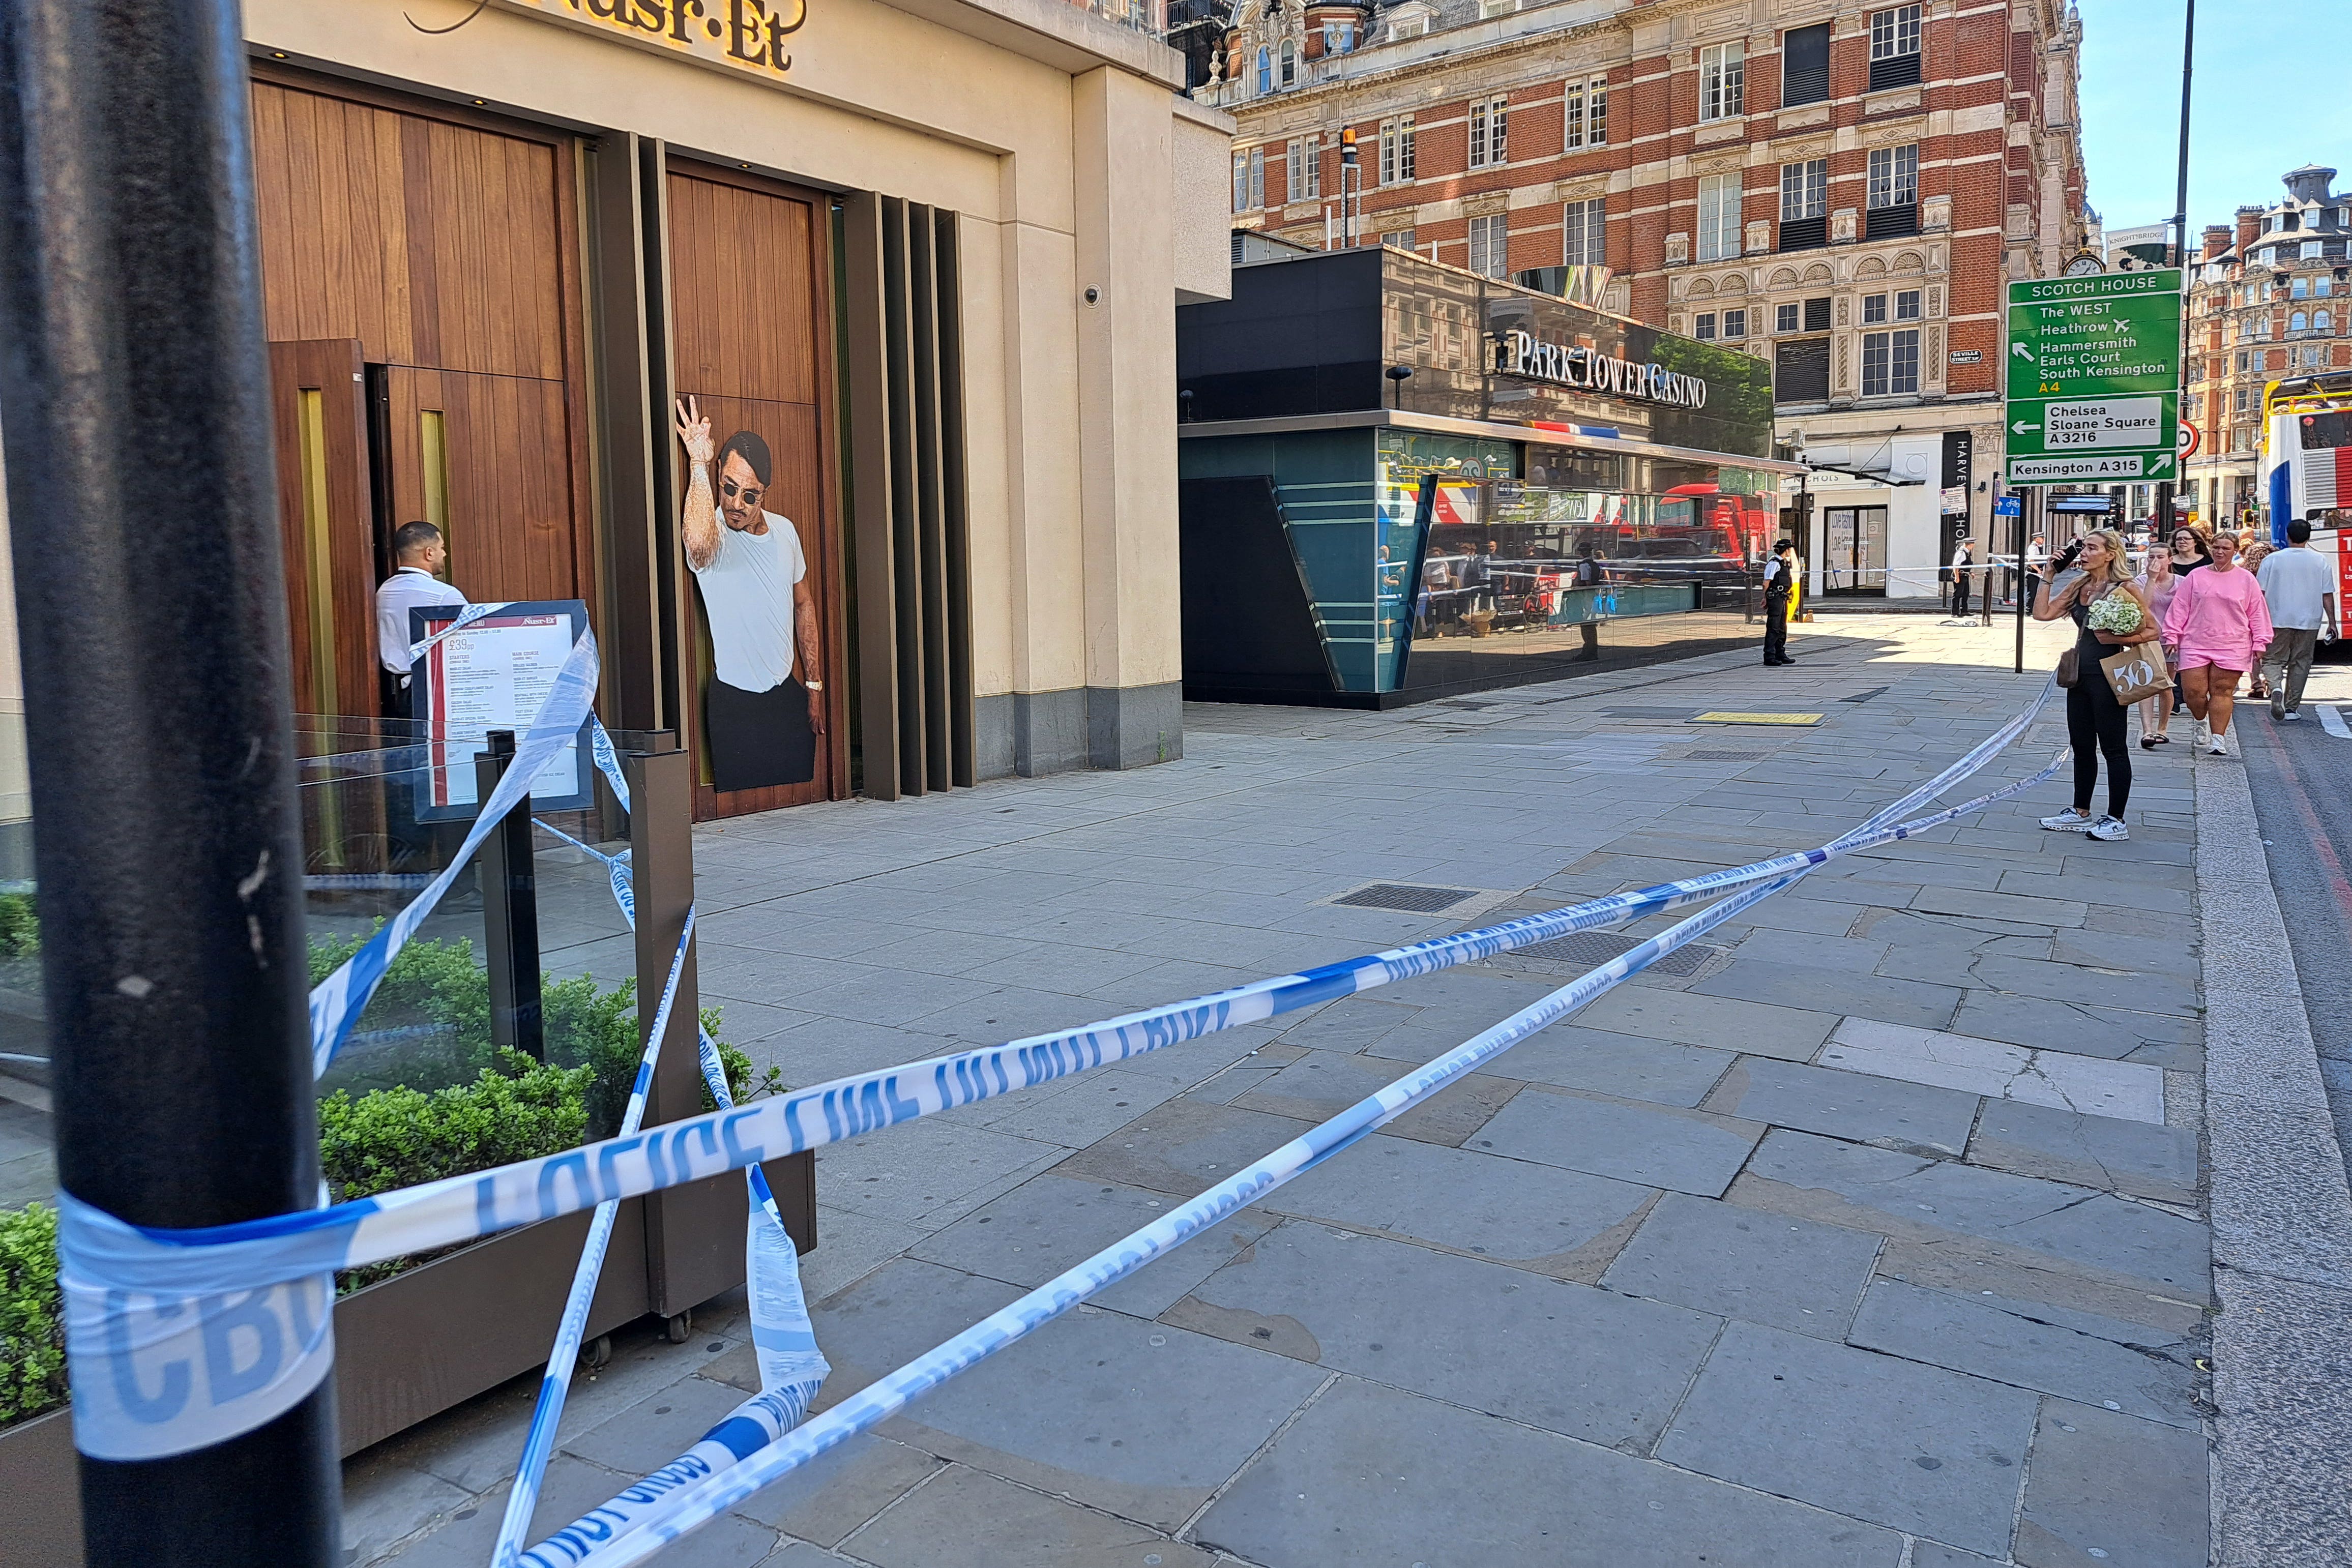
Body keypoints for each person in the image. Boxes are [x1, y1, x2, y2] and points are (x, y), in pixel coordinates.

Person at [675, 396, 826, 792]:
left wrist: (813, 687)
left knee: (799, 806)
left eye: (750, 495)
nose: (736, 504)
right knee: (743, 812)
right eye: (729, 488)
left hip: (786, 699)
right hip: (734, 703)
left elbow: (804, 603)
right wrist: (698, 464)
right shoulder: (714, 533)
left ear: (765, 494)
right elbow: (697, 545)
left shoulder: (786, 532)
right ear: (721, 475)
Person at [2034, 529, 2155, 841]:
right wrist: (2048, 574)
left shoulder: (2125, 588)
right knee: (2082, 746)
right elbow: (2042, 614)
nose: (2083, 553)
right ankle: (2080, 811)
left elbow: (2153, 630)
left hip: (2110, 677)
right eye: (2083, 548)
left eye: (2091, 548)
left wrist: (2116, 638)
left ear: (2110, 554)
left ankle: (2116, 819)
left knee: (2113, 748)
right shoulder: (2080, 585)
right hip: (2079, 677)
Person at [2162, 529, 2273, 758]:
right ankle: (2200, 720)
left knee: (2222, 691)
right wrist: (2172, 635)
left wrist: (2261, 642)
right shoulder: (2196, 576)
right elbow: (2181, 606)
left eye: (2226, 548)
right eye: (2216, 547)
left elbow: (2258, 613)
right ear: (2210, 549)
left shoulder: (2246, 579)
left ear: (2235, 551)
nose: (2220, 552)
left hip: (2233, 643)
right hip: (2195, 641)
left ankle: (2218, 739)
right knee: (2194, 693)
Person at [374, 520, 468, 722]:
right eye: (441, 548)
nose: (444, 554)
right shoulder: (444, 595)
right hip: (434, 690)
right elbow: (471, 644)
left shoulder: (383, 592)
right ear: (429, 553)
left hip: (392, 694)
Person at [2257, 518, 2341, 720]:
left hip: (2276, 619)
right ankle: (2292, 708)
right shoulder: (2320, 561)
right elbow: (2327, 594)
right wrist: (2332, 622)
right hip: (2309, 620)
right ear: (2309, 537)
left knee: (2272, 660)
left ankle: (2275, 687)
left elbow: (2259, 593)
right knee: (2301, 662)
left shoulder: (2272, 560)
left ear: (2288, 536)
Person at [2136, 544, 2180, 749]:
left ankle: (2163, 728)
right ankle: (2147, 731)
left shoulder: (2182, 583)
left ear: (2170, 560)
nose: (2155, 560)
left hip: (2172, 641)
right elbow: (2143, 607)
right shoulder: (2140, 581)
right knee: (2147, 685)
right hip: (2148, 639)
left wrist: (2177, 637)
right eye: (2151, 556)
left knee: (2166, 684)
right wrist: (2152, 579)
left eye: (2161, 557)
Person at [1761, 538, 1798, 665]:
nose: (1790, 551)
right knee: (1773, 627)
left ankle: (1780, 653)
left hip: (1782, 598)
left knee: (1782, 627)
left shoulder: (1783, 563)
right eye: (1789, 549)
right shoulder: (1774, 563)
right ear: (1786, 550)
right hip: (1775, 598)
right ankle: (1770, 656)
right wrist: (1765, 598)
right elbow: (1766, 583)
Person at [1948, 538, 1975, 618]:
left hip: (1965, 575)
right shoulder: (1961, 553)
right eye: (1972, 546)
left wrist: (1970, 573)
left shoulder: (1967, 553)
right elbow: (1956, 566)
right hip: (1960, 575)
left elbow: (1966, 565)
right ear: (1969, 545)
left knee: (1965, 594)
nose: (1973, 547)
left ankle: (1964, 611)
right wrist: (1957, 577)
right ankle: (1955, 612)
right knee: (1957, 594)